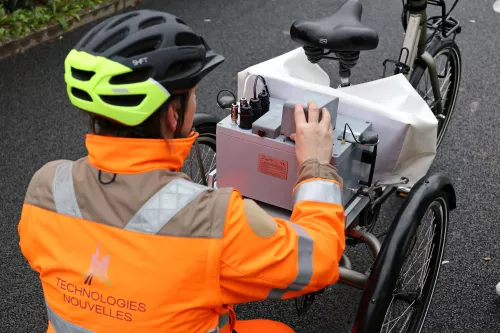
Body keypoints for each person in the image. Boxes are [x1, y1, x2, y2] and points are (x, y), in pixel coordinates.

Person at [17, 9, 346, 333]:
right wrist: (315, 165)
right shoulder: (215, 221)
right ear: (174, 116)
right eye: (192, 95)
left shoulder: (46, 188)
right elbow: (321, 259)